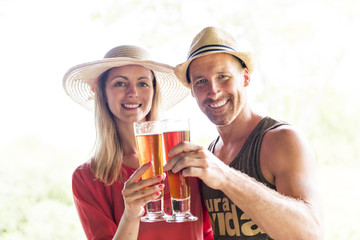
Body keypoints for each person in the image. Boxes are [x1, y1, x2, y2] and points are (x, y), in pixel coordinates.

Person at [164, 27, 324, 240]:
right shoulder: (211, 154)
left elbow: (312, 234)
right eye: (201, 81)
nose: (213, 90)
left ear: (245, 78)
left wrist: (225, 176)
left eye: (223, 76)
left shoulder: (281, 139)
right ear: (192, 91)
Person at [63, 45, 213, 240]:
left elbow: (208, 234)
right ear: (103, 94)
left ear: (153, 92)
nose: (132, 92)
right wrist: (131, 215)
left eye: (143, 84)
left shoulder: (185, 160)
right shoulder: (87, 178)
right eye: (119, 83)